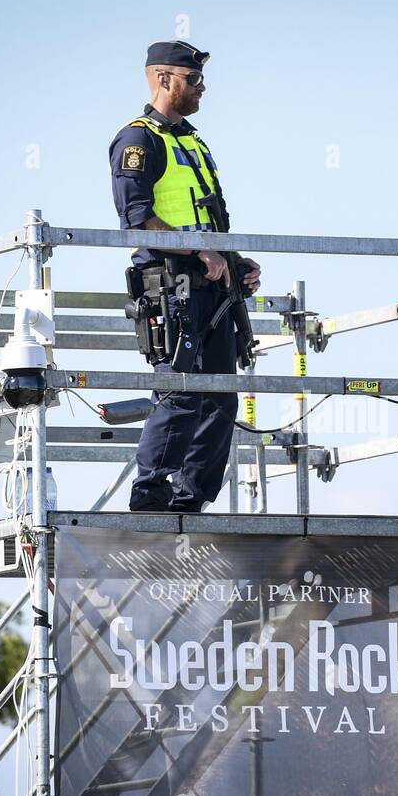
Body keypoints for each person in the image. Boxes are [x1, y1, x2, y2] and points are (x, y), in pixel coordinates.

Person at [109, 40, 261, 513]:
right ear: (163, 79)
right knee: (178, 394)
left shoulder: (193, 141)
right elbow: (136, 218)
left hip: (213, 289)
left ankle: (190, 503)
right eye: (193, 80)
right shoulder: (137, 140)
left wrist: (234, 262)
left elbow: (211, 222)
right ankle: (151, 500)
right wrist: (199, 251)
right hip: (170, 286)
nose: (202, 89)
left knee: (220, 401)